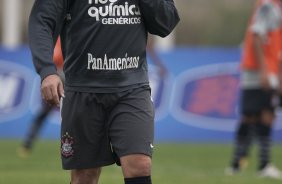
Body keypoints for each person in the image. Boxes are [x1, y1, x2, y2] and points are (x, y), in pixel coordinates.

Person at [28, 0, 180, 184]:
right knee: (85, 176)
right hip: (82, 89)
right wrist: (46, 71)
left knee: (140, 165)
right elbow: (42, 21)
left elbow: (166, 23)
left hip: (132, 88)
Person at [225, 0, 282, 179]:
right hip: (258, 71)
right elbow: (256, 36)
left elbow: (274, 45)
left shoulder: (275, 6)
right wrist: (264, 71)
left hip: (267, 69)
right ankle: (241, 164)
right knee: (254, 115)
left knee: (266, 114)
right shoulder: (268, 5)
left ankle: (246, 164)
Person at [18, 38, 64, 158]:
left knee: (45, 114)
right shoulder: (59, 38)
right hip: (60, 78)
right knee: (44, 113)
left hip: (68, 77)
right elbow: (55, 58)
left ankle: (27, 144)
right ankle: (27, 143)